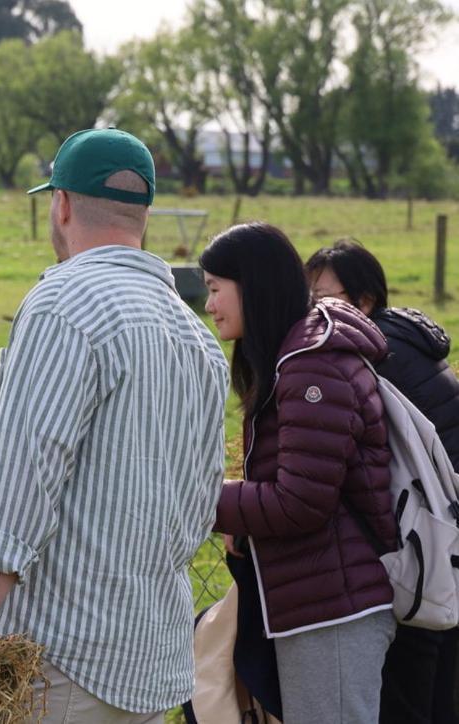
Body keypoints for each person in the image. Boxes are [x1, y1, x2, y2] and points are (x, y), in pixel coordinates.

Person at [0, 128, 230, 722]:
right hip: (147, 647)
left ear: (60, 204)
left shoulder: (64, 303)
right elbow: (201, 498)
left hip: (57, 654)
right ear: (142, 214)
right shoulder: (196, 336)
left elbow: (26, 470)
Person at [202, 223, 397, 724]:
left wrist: (204, 499)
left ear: (252, 285)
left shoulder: (310, 366)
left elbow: (302, 502)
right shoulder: (294, 357)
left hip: (333, 607)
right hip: (317, 596)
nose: (209, 306)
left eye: (214, 289)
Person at [307, 238, 459, 724]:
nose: (311, 310)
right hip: (445, 535)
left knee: (409, 689)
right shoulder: (409, 340)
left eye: (322, 297)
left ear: (365, 301)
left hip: (419, 542)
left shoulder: (374, 356)